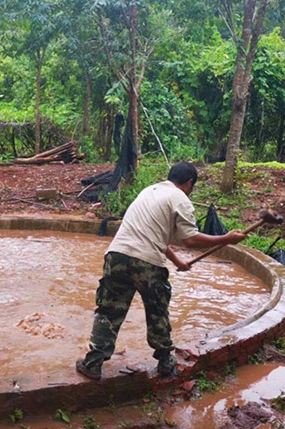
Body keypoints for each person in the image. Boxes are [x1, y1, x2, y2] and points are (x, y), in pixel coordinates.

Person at [76, 161, 247, 380]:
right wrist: (227, 239)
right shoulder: (180, 199)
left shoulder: (149, 191)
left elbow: (152, 234)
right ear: (189, 183)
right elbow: (191, 239)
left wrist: (176, 260)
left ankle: (93, 363)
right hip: (147, 262)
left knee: (108, 311)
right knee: (157, 311)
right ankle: (166, 363)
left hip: (116, 255)